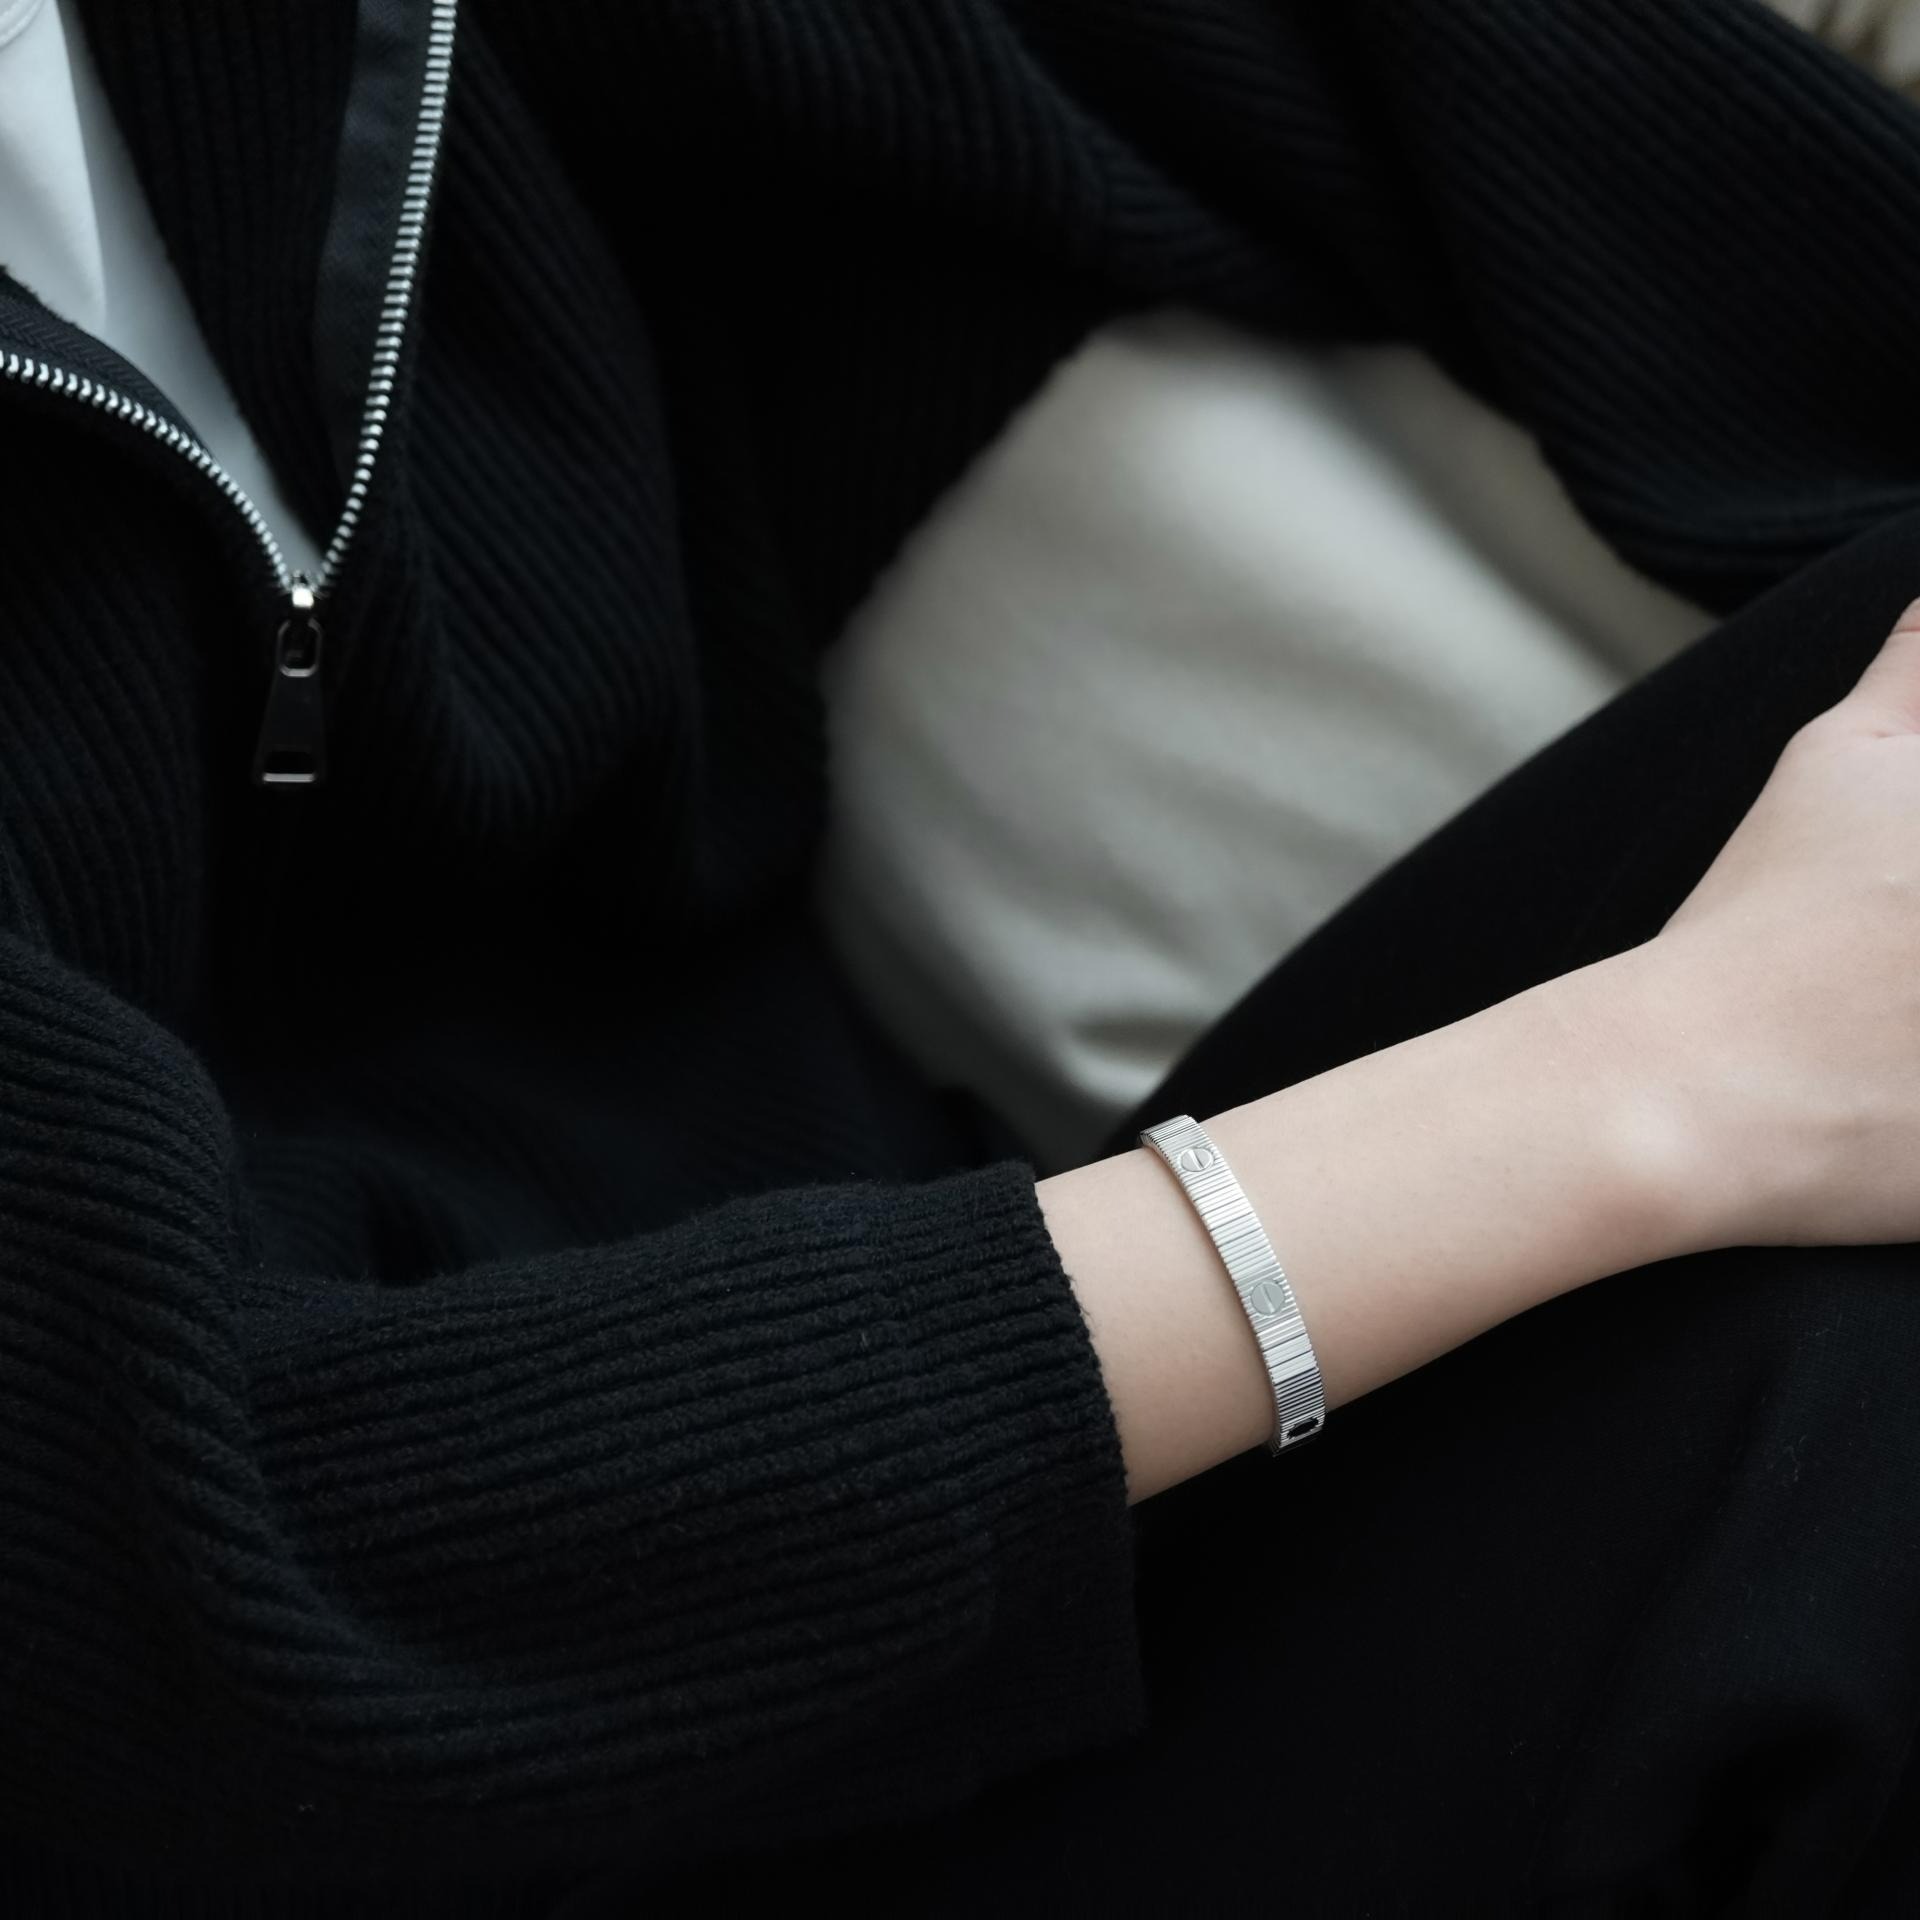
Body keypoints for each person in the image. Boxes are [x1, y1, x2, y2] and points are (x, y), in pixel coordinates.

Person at [4, 2, 1920, 1916]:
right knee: (1822, 1442)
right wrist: (1659, 1084)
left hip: (970, 1351)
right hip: (518, 1770)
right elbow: (200, 1588)